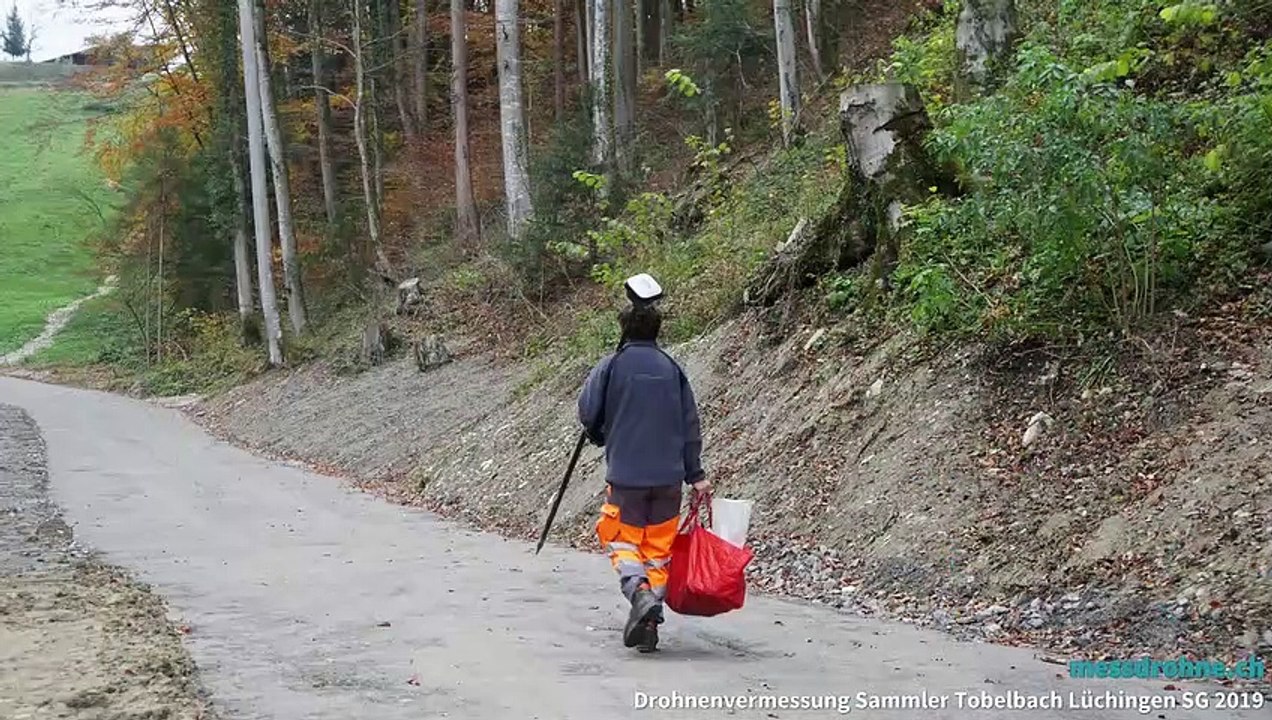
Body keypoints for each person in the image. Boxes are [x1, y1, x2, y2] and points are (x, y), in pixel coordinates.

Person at [577, 301, 709, 653]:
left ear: (623, 328)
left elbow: (588, 413)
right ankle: (649, 622)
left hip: (627, 477)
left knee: (620, 540)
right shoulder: (672, 368)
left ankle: (639, 592)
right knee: (657, 552)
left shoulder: (611, 366)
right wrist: (695, 473)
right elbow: (690, 425)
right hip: (669, 480)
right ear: (657, 329)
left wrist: (600, 433)